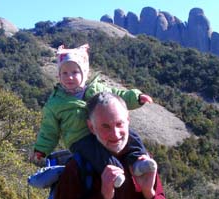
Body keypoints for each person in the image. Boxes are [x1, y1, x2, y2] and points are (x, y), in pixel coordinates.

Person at [32, 44, 156, 187]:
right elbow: (49, 131)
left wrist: (136, 98)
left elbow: (118, 97)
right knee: (95, 153)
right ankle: (115, 174)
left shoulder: (97, 89)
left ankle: (138, 162)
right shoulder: (54, 103)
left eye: (74, 72)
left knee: (130, 135)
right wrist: (41, 150)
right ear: (58, 75)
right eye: (64, 73)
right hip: (80, 139)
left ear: (84, 72)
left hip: (103, 128)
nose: (69, 77)